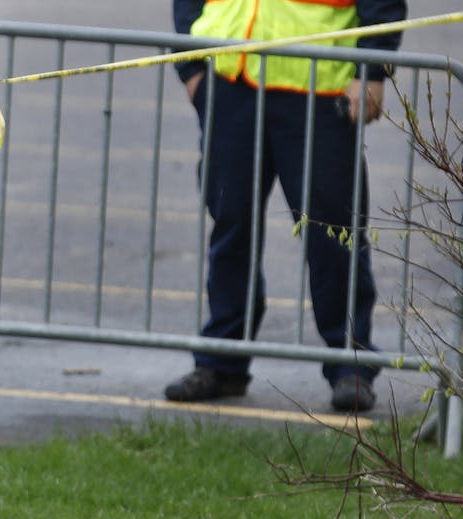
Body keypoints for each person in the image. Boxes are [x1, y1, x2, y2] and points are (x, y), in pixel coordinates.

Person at [166, 0, 406, 412]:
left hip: (318, 82)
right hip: (231, 81)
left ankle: (351, 364)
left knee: (334, 233)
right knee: (230, 226)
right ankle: (221, 362)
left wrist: (371, 69)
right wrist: (191, 69)